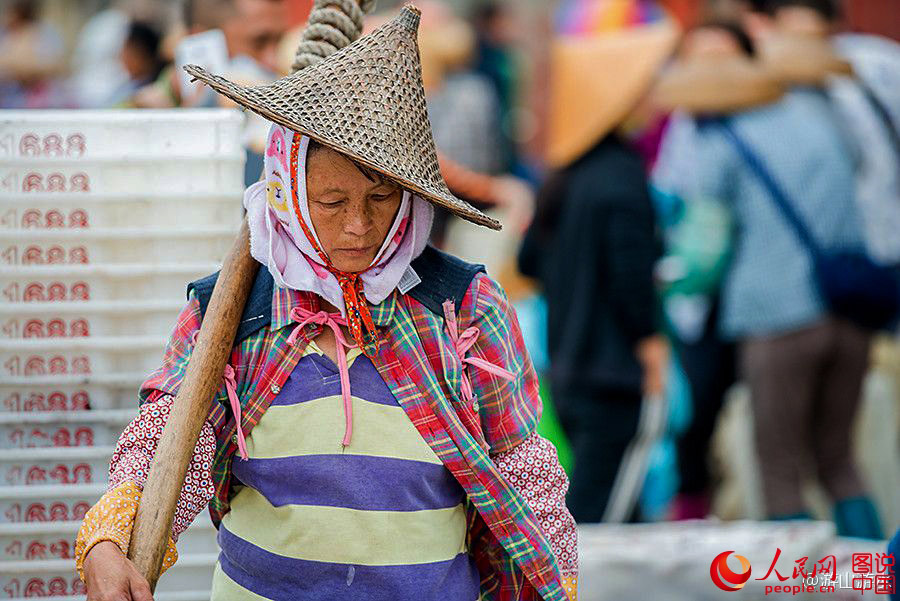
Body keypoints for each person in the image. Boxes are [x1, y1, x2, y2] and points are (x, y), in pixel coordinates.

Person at [74, 8, 578, 601]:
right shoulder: (234, 309)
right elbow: (169, 438)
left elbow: (522, 470)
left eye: (381, 196)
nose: (359, 227)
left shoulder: (464, 307)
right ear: (286, 188)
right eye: (331, 201)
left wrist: (557, 582)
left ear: (413, 195)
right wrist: (109, 539)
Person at [682, 2, 881, 537]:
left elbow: (705, 245)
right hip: (850, 307)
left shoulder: (725, 133)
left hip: (776, 317)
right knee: (840, 463)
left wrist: (674, 285)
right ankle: (872, 585)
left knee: (780, 469)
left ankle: (800, 594)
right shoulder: (823, 110)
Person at [519, 0, 675, 523]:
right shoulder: (623, 177)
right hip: (613, 368)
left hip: (565, 363)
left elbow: (529, 260)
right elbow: (632, 278)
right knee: (597, 511)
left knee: (602, 497)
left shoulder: (563, 176)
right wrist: (651, 344)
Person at [650, 19, 782, 520]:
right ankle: (696, 528)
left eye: (722, 58)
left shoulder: (770, 120)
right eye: (699, 58)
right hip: (698, 300)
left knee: (769, 432)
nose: (711, 73)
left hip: (766, 300)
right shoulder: (685, 123)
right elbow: (670, 197)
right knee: (695, 419)